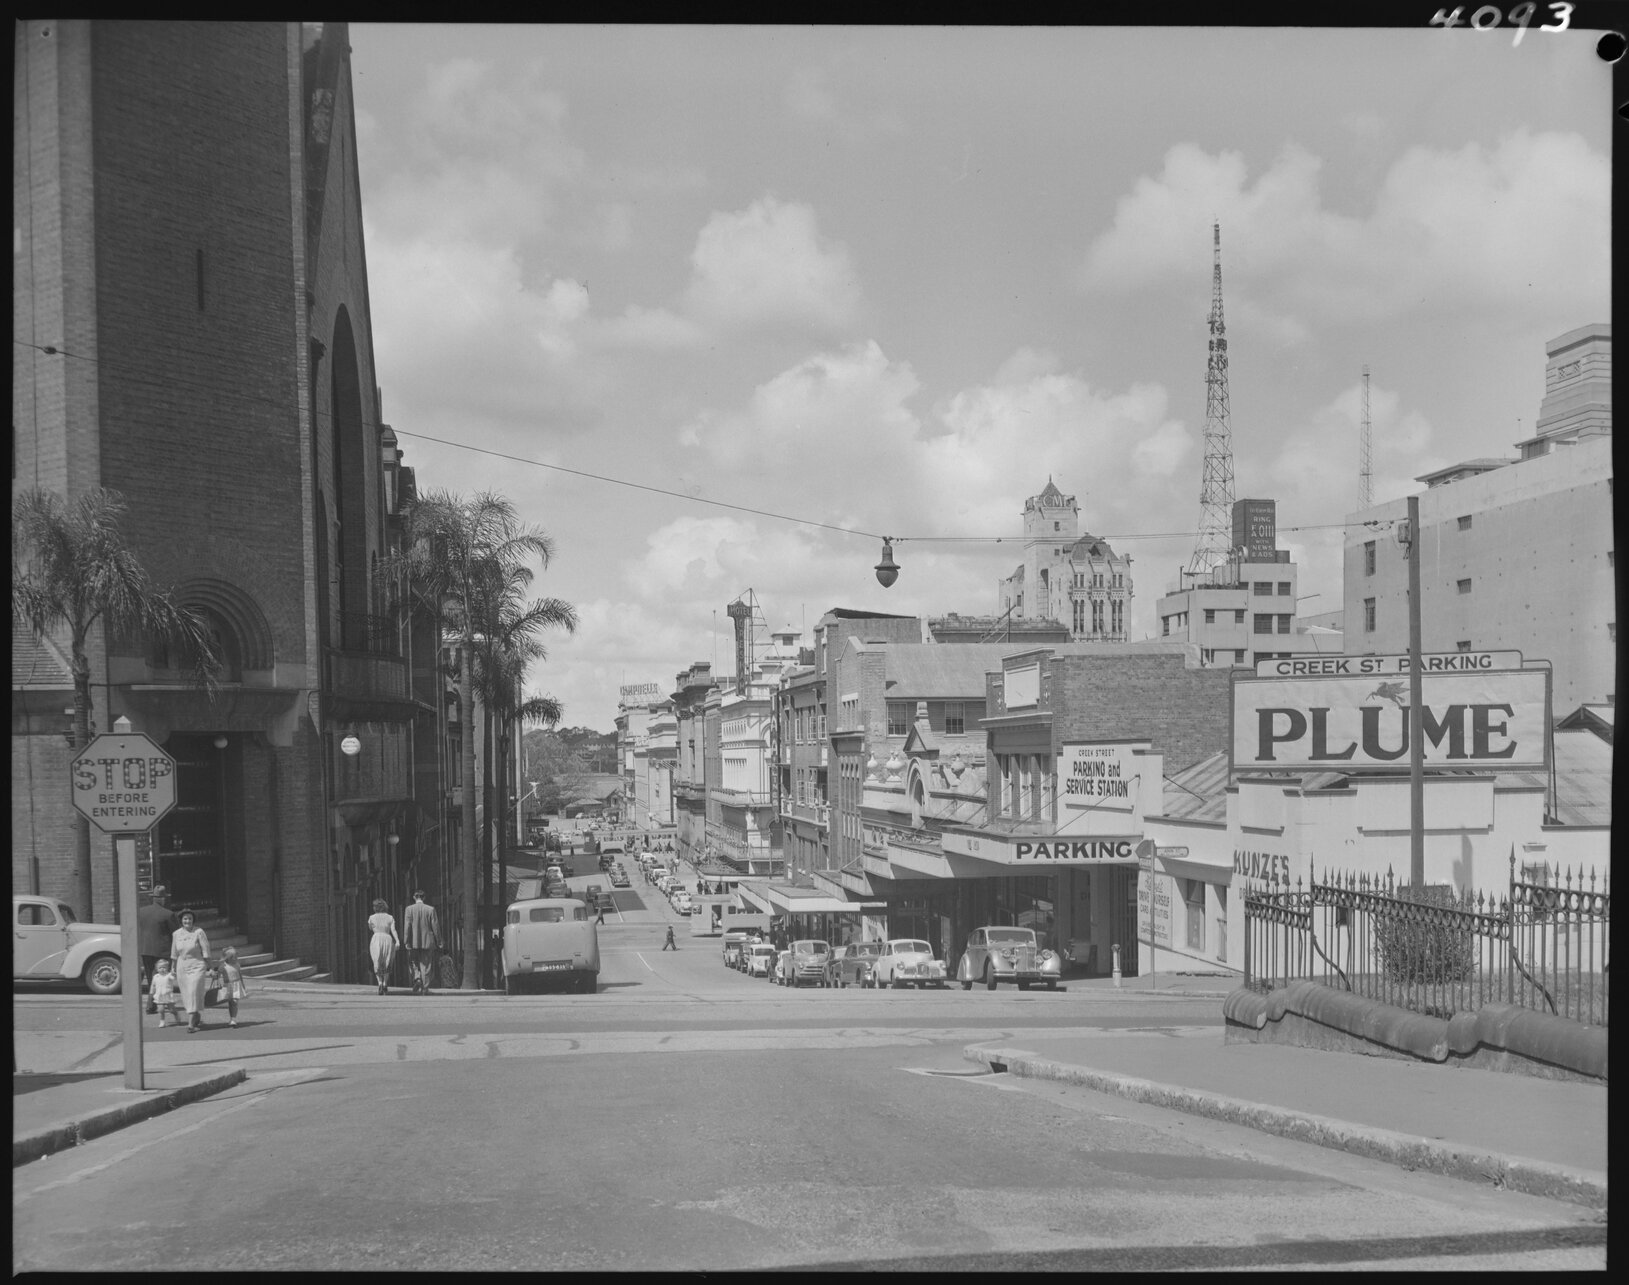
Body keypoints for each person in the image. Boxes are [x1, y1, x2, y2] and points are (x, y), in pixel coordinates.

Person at [137, 886, 179, 1013]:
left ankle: (152, 1004)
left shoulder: (141, 912)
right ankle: (153, 1004)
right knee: (160, 979)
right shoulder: (168, 914)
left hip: (145, 950)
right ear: (162, 899)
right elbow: (176, 934)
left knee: (151, 978)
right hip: (162, 951)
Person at [169, 909, 211, 1033]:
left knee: (193, 992)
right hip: (182, 967)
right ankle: (196, 1014)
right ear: (181, 920)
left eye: (190, 919)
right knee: (187, 995)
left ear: (193, 920)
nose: (187, 921)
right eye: (185, 919)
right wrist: (172, 967)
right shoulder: (176, 934)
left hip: (197, 966)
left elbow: (206, 950)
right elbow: (174, 952)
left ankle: (190, 1025)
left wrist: (210, 966)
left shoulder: (199, 932)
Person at [402, 890, 441, 995]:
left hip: (413, 941)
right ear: (424, 898)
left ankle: (417, 978)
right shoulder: (430, 909)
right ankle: (425, 988)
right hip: (428, 941)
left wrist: (406, 940)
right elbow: (435, 927)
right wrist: (439, 941)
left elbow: (407, 926)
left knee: (413, 961)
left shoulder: (409, 909)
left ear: (414, 897)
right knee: (426, 965)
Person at [367, 899, 400, 995]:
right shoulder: (390, 917)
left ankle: (379, 983)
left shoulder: (371, 917)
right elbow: (393, 930)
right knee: (387, 961)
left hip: (376, 939)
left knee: (376, 961)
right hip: (387, 939)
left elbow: (370, 928)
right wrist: (397, 941)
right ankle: (385, 983)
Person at [219, 947, 248, 1028]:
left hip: (236, 984)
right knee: (230, 1003)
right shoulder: (223, 966)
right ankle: (231, 1018)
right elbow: (218, 975)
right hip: (227, 985)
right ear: (228, 958)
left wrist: (243, 985)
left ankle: (233, 1019)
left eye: (236, 957)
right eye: (234, 957)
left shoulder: (237, 965)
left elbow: (240, 975)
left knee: (234, 1002)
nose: (236, 959)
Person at [149, 959, 180, 1027]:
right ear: (157, 969)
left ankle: (176, 1014)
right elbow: (153, 985)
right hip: (159, 995)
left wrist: (174, 974)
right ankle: (162, 1021)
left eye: (164, 967)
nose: (162, 969)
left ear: (167, 968)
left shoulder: (168, 975)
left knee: (171, 1010)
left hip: (167, 995)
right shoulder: (156, 977)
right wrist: (151, 992)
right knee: (161, 1009)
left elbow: (173, 978)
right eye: (160, 968)